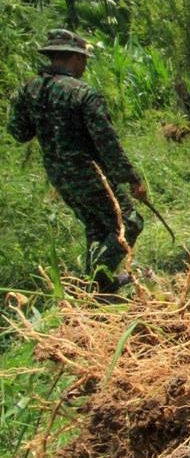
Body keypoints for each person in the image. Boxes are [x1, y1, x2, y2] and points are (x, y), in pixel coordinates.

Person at [7, 29, 147, 293]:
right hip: (92, 175)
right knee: (129, 222)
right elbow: (107, 143)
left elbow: (19, 132)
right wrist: (132, 179)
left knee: (96, 226)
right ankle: (96, 282)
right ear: (75, 58)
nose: (84, 66)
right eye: (84, 60)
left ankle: (100, 285)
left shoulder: (29, 90)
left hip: (60, 177)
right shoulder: (83, 93)